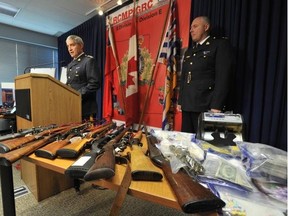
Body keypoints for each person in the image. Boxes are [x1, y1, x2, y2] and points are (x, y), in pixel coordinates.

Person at [177, 16, 234, 134]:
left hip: (206, 105)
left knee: (204, 144)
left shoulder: (219, 45)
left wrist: (217, 105)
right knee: (188, 140)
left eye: (195, 26)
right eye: (191, 27)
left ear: (206, 27)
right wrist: (181, 100)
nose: (191, 30)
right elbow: (184, 77)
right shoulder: (190, 51)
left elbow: (223, 77)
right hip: (188, 104)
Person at [66, 35, 100, 120]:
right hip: (73, 107)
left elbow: (95, 83)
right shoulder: (70, 65)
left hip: (86, 109)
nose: (70, 49)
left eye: (72, 45)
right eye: (68, 46)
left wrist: (77, 95)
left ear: (81, 46)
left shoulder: (88, 61)